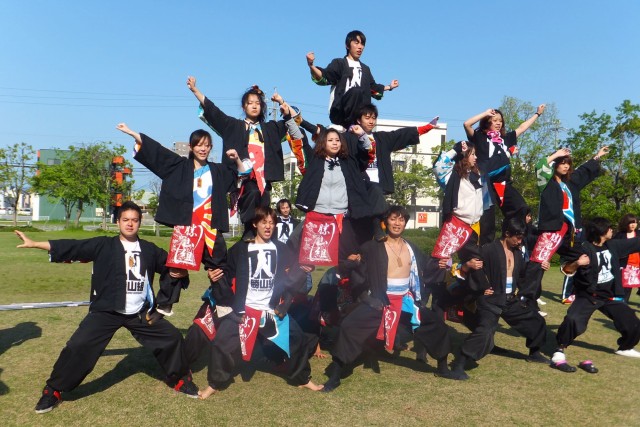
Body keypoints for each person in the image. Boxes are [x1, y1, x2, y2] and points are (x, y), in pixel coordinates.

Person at [16, 201, 199, 414]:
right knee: (79, 345)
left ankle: (180, 379)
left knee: (172, 337)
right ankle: (54, 390)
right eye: (125, 220)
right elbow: (73, 247)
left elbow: (172, 266)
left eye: (134, 220)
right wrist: (35, 243)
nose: (130, 224)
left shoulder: (149, 250)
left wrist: (180, 272)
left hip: (139, 313)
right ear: (117, 222)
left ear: (140, 223)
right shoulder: (103, 245)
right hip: (106, 311)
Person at [323, 206, 463, 392]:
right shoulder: (372, 247)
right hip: (381, 300)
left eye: (401, 220)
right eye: (393, 219)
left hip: (405, 300)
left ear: (405, 223)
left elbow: (426, 267)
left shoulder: (411, 247)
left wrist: (439, 264)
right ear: (385, 222)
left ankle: (443, 369)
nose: (397, 223)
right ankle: (335, 376)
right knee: (350, 327)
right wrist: (363, 291)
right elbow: (357, 273)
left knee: (436, 325)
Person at [196, 207, 323, 399]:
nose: (268, 226)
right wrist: (213, 275)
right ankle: (214, 384)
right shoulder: (241, 249)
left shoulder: (281, 249)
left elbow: (298, 265)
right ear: (255, 224)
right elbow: (225, 273)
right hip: (244, 310)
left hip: (270, 310)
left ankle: (303, 378)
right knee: (221, 343)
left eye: (271, 223)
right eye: (264, 222)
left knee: (297, 338)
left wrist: (306, 267)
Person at [116, 123, 240, 315]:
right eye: (198, 145)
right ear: (191, 147)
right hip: (187, 226)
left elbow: (237, 175)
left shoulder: (217, 170)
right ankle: (165, 304)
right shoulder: (180, 166)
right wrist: (134, 134)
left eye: (207, 145)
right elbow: (158, 152)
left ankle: (224, 304)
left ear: (210, 147)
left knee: (219, 267)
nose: (203, 148)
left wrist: (236, 159)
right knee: (176, 267)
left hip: (210, 227)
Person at [187, 76, 301, 241]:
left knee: (264, 202)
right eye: (250, 103)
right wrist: (195, 90)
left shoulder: (270, 128)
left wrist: (282, 102)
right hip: (242, 179)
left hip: (263, 178)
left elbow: (295, 118)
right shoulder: (233, 125)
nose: (254, 106)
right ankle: (248, 230)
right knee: (252, 192)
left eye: (257, 103)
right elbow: (213, 111)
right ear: (244, 106)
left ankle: (261, 238)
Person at [450, 218, 550, 380]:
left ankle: (534, 353)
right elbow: (474, 269)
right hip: (491, 299)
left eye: (522, 237)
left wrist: (540, 266)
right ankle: (459, 363)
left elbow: (524, 274)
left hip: (510, 299)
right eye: (517, 237)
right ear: (507, 234)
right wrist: (481, 287)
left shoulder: (517, 253)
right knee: (485, 331)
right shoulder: (488, 250)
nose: (520, 241)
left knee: (536, 320)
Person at [519, 146, 609, 305]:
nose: (566, 166)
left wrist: (597, 156)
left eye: (568, 163)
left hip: (570, 232)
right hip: (552, 229)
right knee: (539, 262)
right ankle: (525, 299)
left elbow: (583, 171)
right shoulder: (546, 182)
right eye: (562, 163)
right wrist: (556, 154)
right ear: (555, 164)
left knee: (586, 257)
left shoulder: (570, 183)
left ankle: (583, 292)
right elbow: (540, 166)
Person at [551, 217, 640, 373]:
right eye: (609, 228)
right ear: (601, 231)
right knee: (573, 320)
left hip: (609, 296)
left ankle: (625, 347)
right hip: (588, 295)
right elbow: (567, 270)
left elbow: (636, 243)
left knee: (632, 321)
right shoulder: (583, 249)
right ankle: (560, 349)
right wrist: (578, 263)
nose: (612, 230)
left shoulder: (612, 245)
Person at [347, 103, 439, 240]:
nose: (371, 121)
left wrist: (427, 127)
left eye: (373, 118)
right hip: (359, 183)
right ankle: (376, 229)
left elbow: (401, 135)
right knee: (360, 217)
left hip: (378, 183)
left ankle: (378, 230)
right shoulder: (350, 138)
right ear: (358, 120)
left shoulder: (382, 138)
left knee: (376, 196)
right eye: (367, 118)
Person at [292, 127, 377, 264]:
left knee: (346, 260)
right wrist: (289, 118)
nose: (335, 143)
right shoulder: (314, 160)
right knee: (305, 258)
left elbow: (367, 153)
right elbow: (299, 141)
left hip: (341, 216)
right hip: (316, 215)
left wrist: (361, 134)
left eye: (337, 140)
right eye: (330, 140)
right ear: (323, 143)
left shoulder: (349, 162)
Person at [463, 105, 546, 243]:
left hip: (502, 182)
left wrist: (537, 114)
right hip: (486, 183)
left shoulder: (505, 139)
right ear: (487, 122)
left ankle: (509, 239)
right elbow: (467, 124)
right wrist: (485, 113)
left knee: (521, 208)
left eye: (500, 121)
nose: (498, 123)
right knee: (487, 220)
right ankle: (485, 248)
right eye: (494, 120)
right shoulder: (480, 137)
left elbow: (522, 128)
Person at [306, 30, 399, 128]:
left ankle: (359, 124)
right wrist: (311, 65)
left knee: (362, 94)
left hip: (360, 116)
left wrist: (390, 87)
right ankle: (350, 126)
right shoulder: (339, 63)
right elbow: (325, 76)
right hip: (340, 113)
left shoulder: (365, 69)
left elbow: (372, 89)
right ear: (347, 45)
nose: (360, 47)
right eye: (356, 43)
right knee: (356, 91)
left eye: (362, 44)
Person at [614, 213, 640, 302]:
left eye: (635, 222)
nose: (633, 225)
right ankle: (623, 304)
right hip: (626, 265)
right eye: (631, 222)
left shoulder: (638, 234)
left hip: (638, 264)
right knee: (626, 287)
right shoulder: (620, 235)